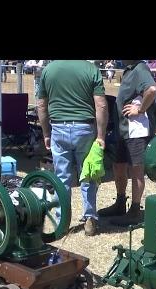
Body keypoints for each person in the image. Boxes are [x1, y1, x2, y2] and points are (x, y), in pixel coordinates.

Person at [36, 60, 108, 236]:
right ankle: (90, 217)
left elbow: (41, 105)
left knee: (62, 178)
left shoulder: (48, 70)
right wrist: (101, 135)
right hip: (84, 128)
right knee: (88, 173)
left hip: (58, 127)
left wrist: (46, 133)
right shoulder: (91, 69)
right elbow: (101, 105)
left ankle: (62, 221)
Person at [98, 60, 156, 226]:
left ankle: (135, 210)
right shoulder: (129, 70)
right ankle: (120, 202)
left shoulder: (140, 68)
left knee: (136, 169)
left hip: (136, 130)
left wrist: (140, 109)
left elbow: (151, 90)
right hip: (123, 129)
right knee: (119, 165)